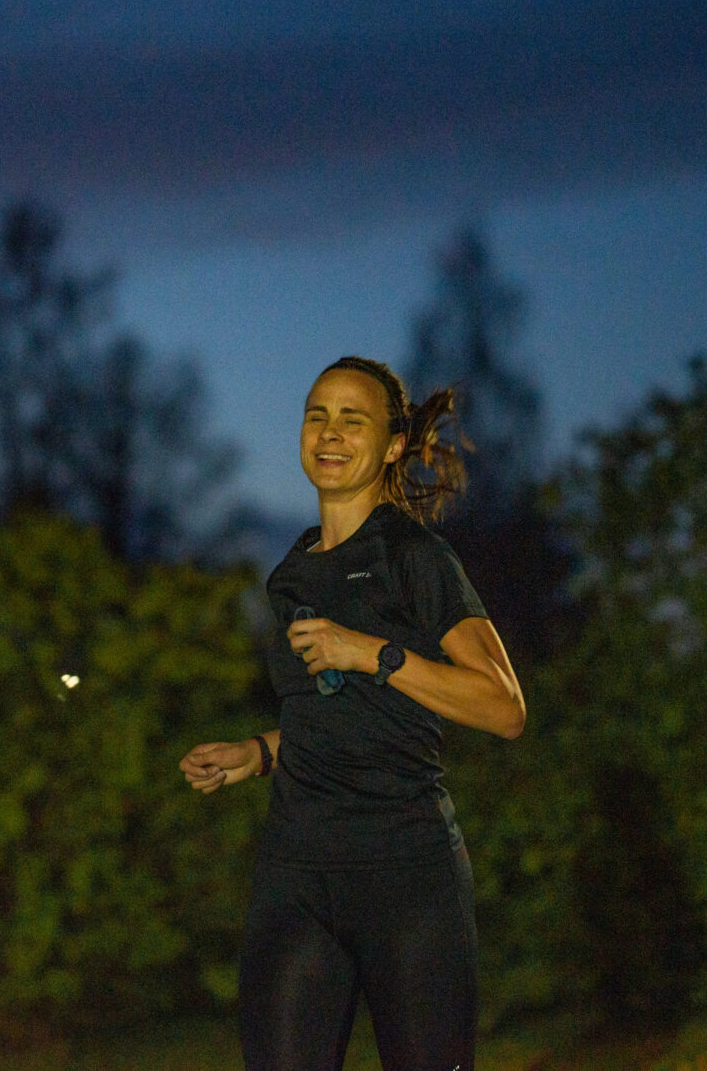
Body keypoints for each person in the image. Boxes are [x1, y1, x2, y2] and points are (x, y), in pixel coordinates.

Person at [178, 356, 525, 1071]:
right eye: (318, 416)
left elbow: (503, 707)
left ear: (393, 445)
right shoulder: (292, 573)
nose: (330, 433)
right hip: (297, 873)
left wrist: (371, 652)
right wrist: (259, 752)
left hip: (408, 874)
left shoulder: (415, 558)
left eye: (352, 419)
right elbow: (340, 715)